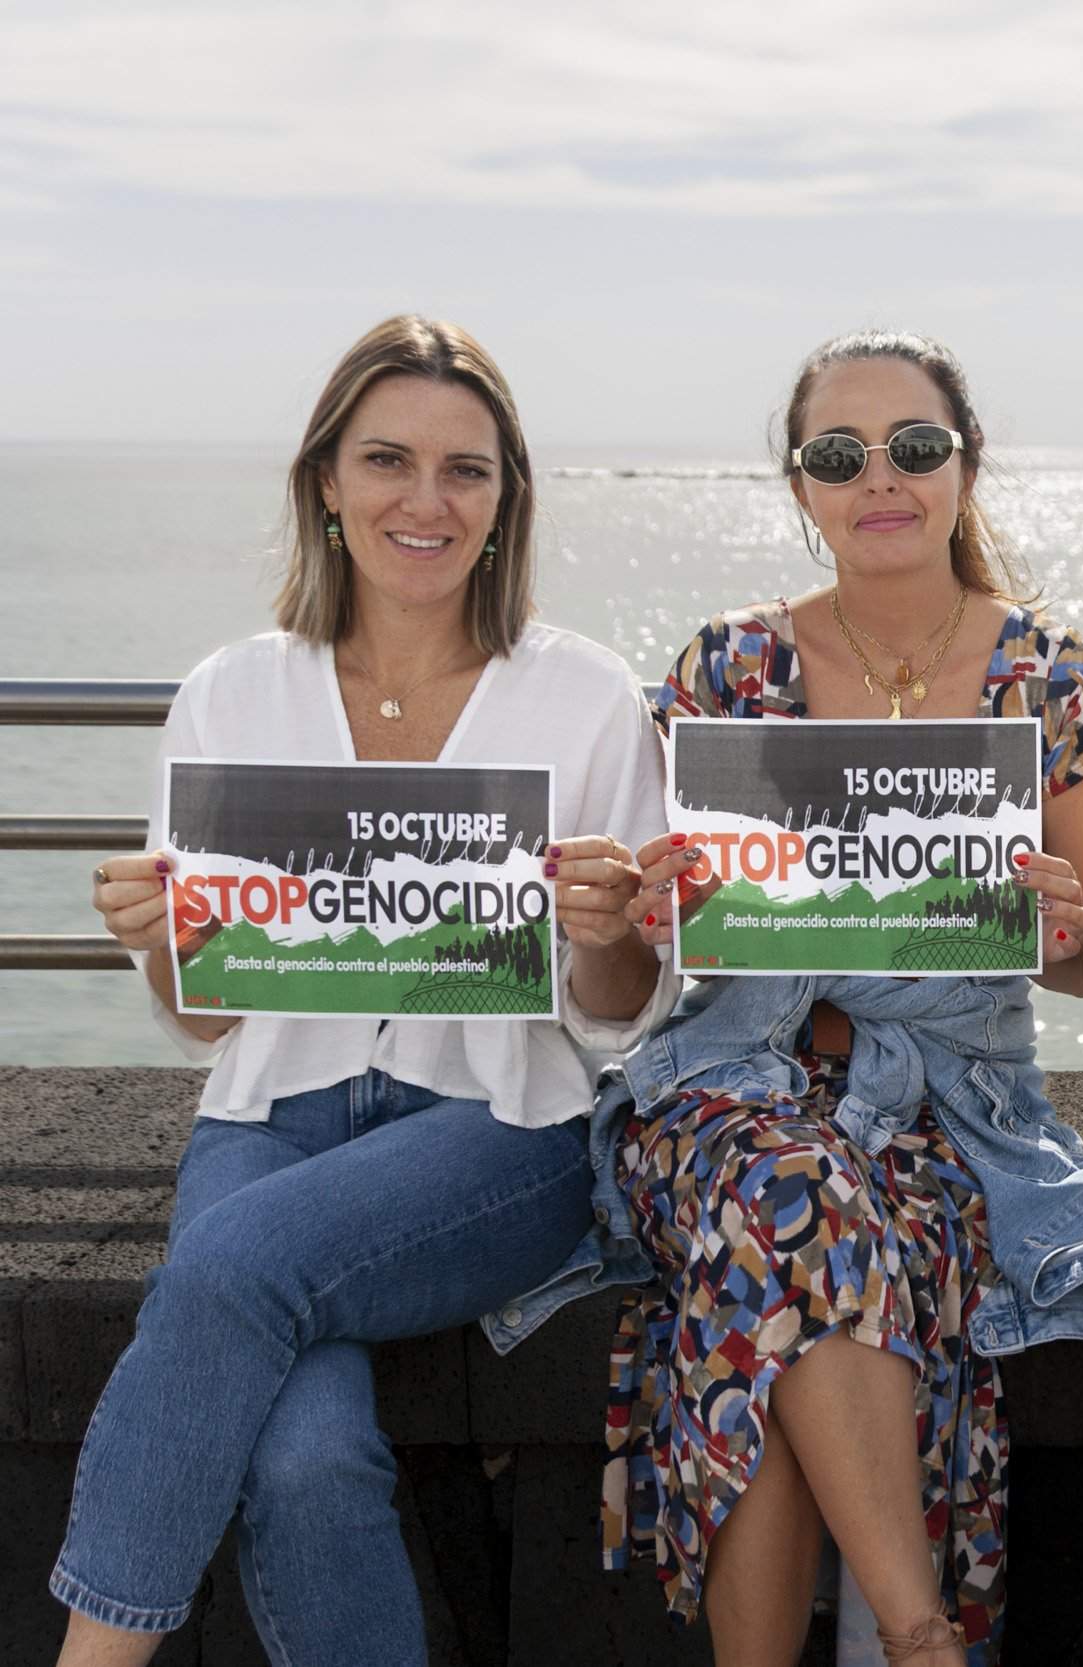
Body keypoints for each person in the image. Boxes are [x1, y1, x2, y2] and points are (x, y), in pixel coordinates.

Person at [56, 317, 672, 1667]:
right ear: (326, 483)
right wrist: (159, 938)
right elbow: (216, 1016)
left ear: (507, 499)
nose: (426, 499)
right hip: (271, 1118)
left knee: (224, 1268)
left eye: (468, 468)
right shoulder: (232, 692)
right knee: (302, 1459)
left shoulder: (582, 693)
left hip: (500, 1131)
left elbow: (619, 1012)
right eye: (388, 459)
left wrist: (608, 925)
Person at [602, 329, 1083, 1667]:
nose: (880, 476)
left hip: (946, 1113)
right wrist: (639, 913)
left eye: (914, 446)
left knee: (773, 1295)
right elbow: (642, 972)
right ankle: (921, 1632)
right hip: (730, 1083)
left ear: (966, 464)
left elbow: (1075, 947)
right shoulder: (723, 671)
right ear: (801, 484)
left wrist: (1070, 921)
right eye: (839, 454)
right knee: (791, 1189)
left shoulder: (1056, 680)